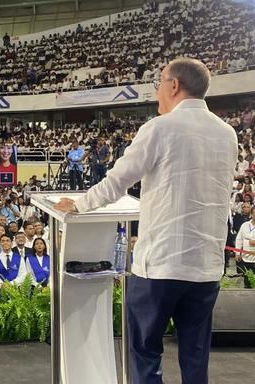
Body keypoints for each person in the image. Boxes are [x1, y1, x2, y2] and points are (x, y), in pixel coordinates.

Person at [54, 58, 238, 384]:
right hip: (206, 267)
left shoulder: (159, 128)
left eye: (159, 85)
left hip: (160, 266)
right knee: (196, 360)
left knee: (145, 355)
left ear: (174, 85)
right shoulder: (228, 134)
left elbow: (116, 183)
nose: (157, 94)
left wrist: (80, 205)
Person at [234, 205, 255, 288]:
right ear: (251, 214)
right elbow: (239, 239)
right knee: (247, 280)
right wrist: (237, 253)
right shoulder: (245, 225)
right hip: (246, 258)